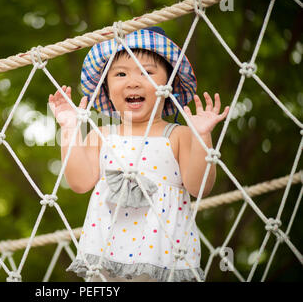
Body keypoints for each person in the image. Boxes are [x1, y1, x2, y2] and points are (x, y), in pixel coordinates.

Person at [48, 26, 229, 282]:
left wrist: (202, 137)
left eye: (147, 72)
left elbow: (200, 187)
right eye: (120, 73)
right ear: (107, 89)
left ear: (168, 84)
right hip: (106, 252)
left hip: (164, 254)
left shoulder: (178, 135)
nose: (133, 81)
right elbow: (78, 183)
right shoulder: (101, 136)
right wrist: (69, 128)